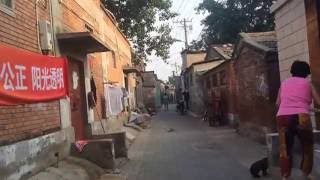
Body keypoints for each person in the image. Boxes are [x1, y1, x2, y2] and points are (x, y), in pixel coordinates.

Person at [276, 61, 320, 180]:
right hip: (302, 117)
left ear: (292, 71)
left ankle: (285, 176)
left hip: (283, 116)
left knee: (284, 148)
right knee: (307, 146)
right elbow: (318, 101)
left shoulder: (284, 83)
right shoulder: (308, 83)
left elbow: (277, 103)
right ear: (306, 72)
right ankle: (305, 174)